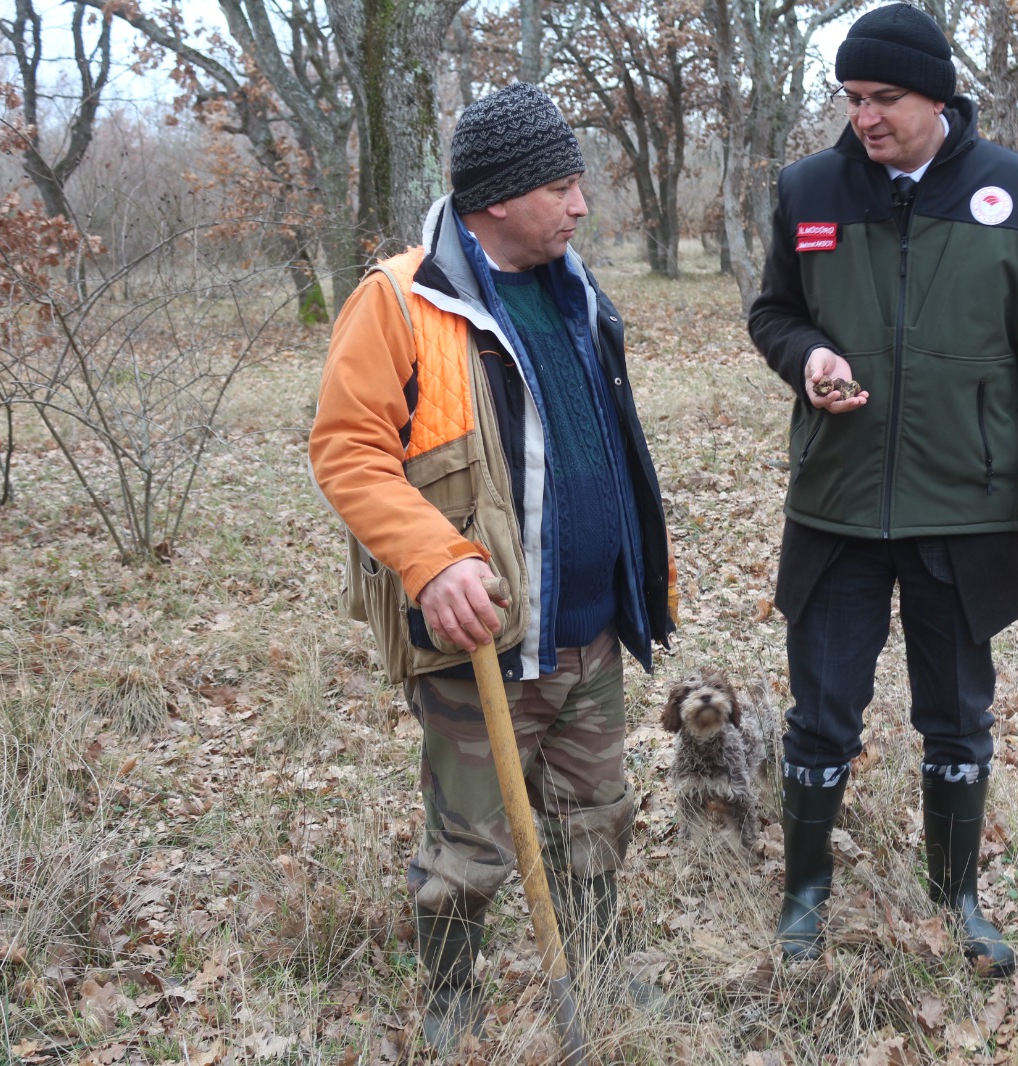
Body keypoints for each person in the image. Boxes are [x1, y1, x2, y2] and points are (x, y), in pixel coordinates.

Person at [309, 83, 673, 1047]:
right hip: (482, 636)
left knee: (596, 819)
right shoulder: (399, 299)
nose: (581, 205)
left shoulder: (576, 291)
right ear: (498, 198)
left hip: (591, 629)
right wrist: (432, 563)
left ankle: (598, 974)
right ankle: (451, 1000)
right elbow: (347, 450)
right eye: (561, 187)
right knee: (468, 848)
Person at [748, 3, 1018, 977]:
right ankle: (804, 898)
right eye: (851, 98)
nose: (864, 116)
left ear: (937, 96)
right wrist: (809, 356)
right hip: (838, 501)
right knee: (821, 710)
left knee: (957, 713)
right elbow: (773, 312)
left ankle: (956, 897)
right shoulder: (809, 189)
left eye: (885, 98)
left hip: (966, 504)